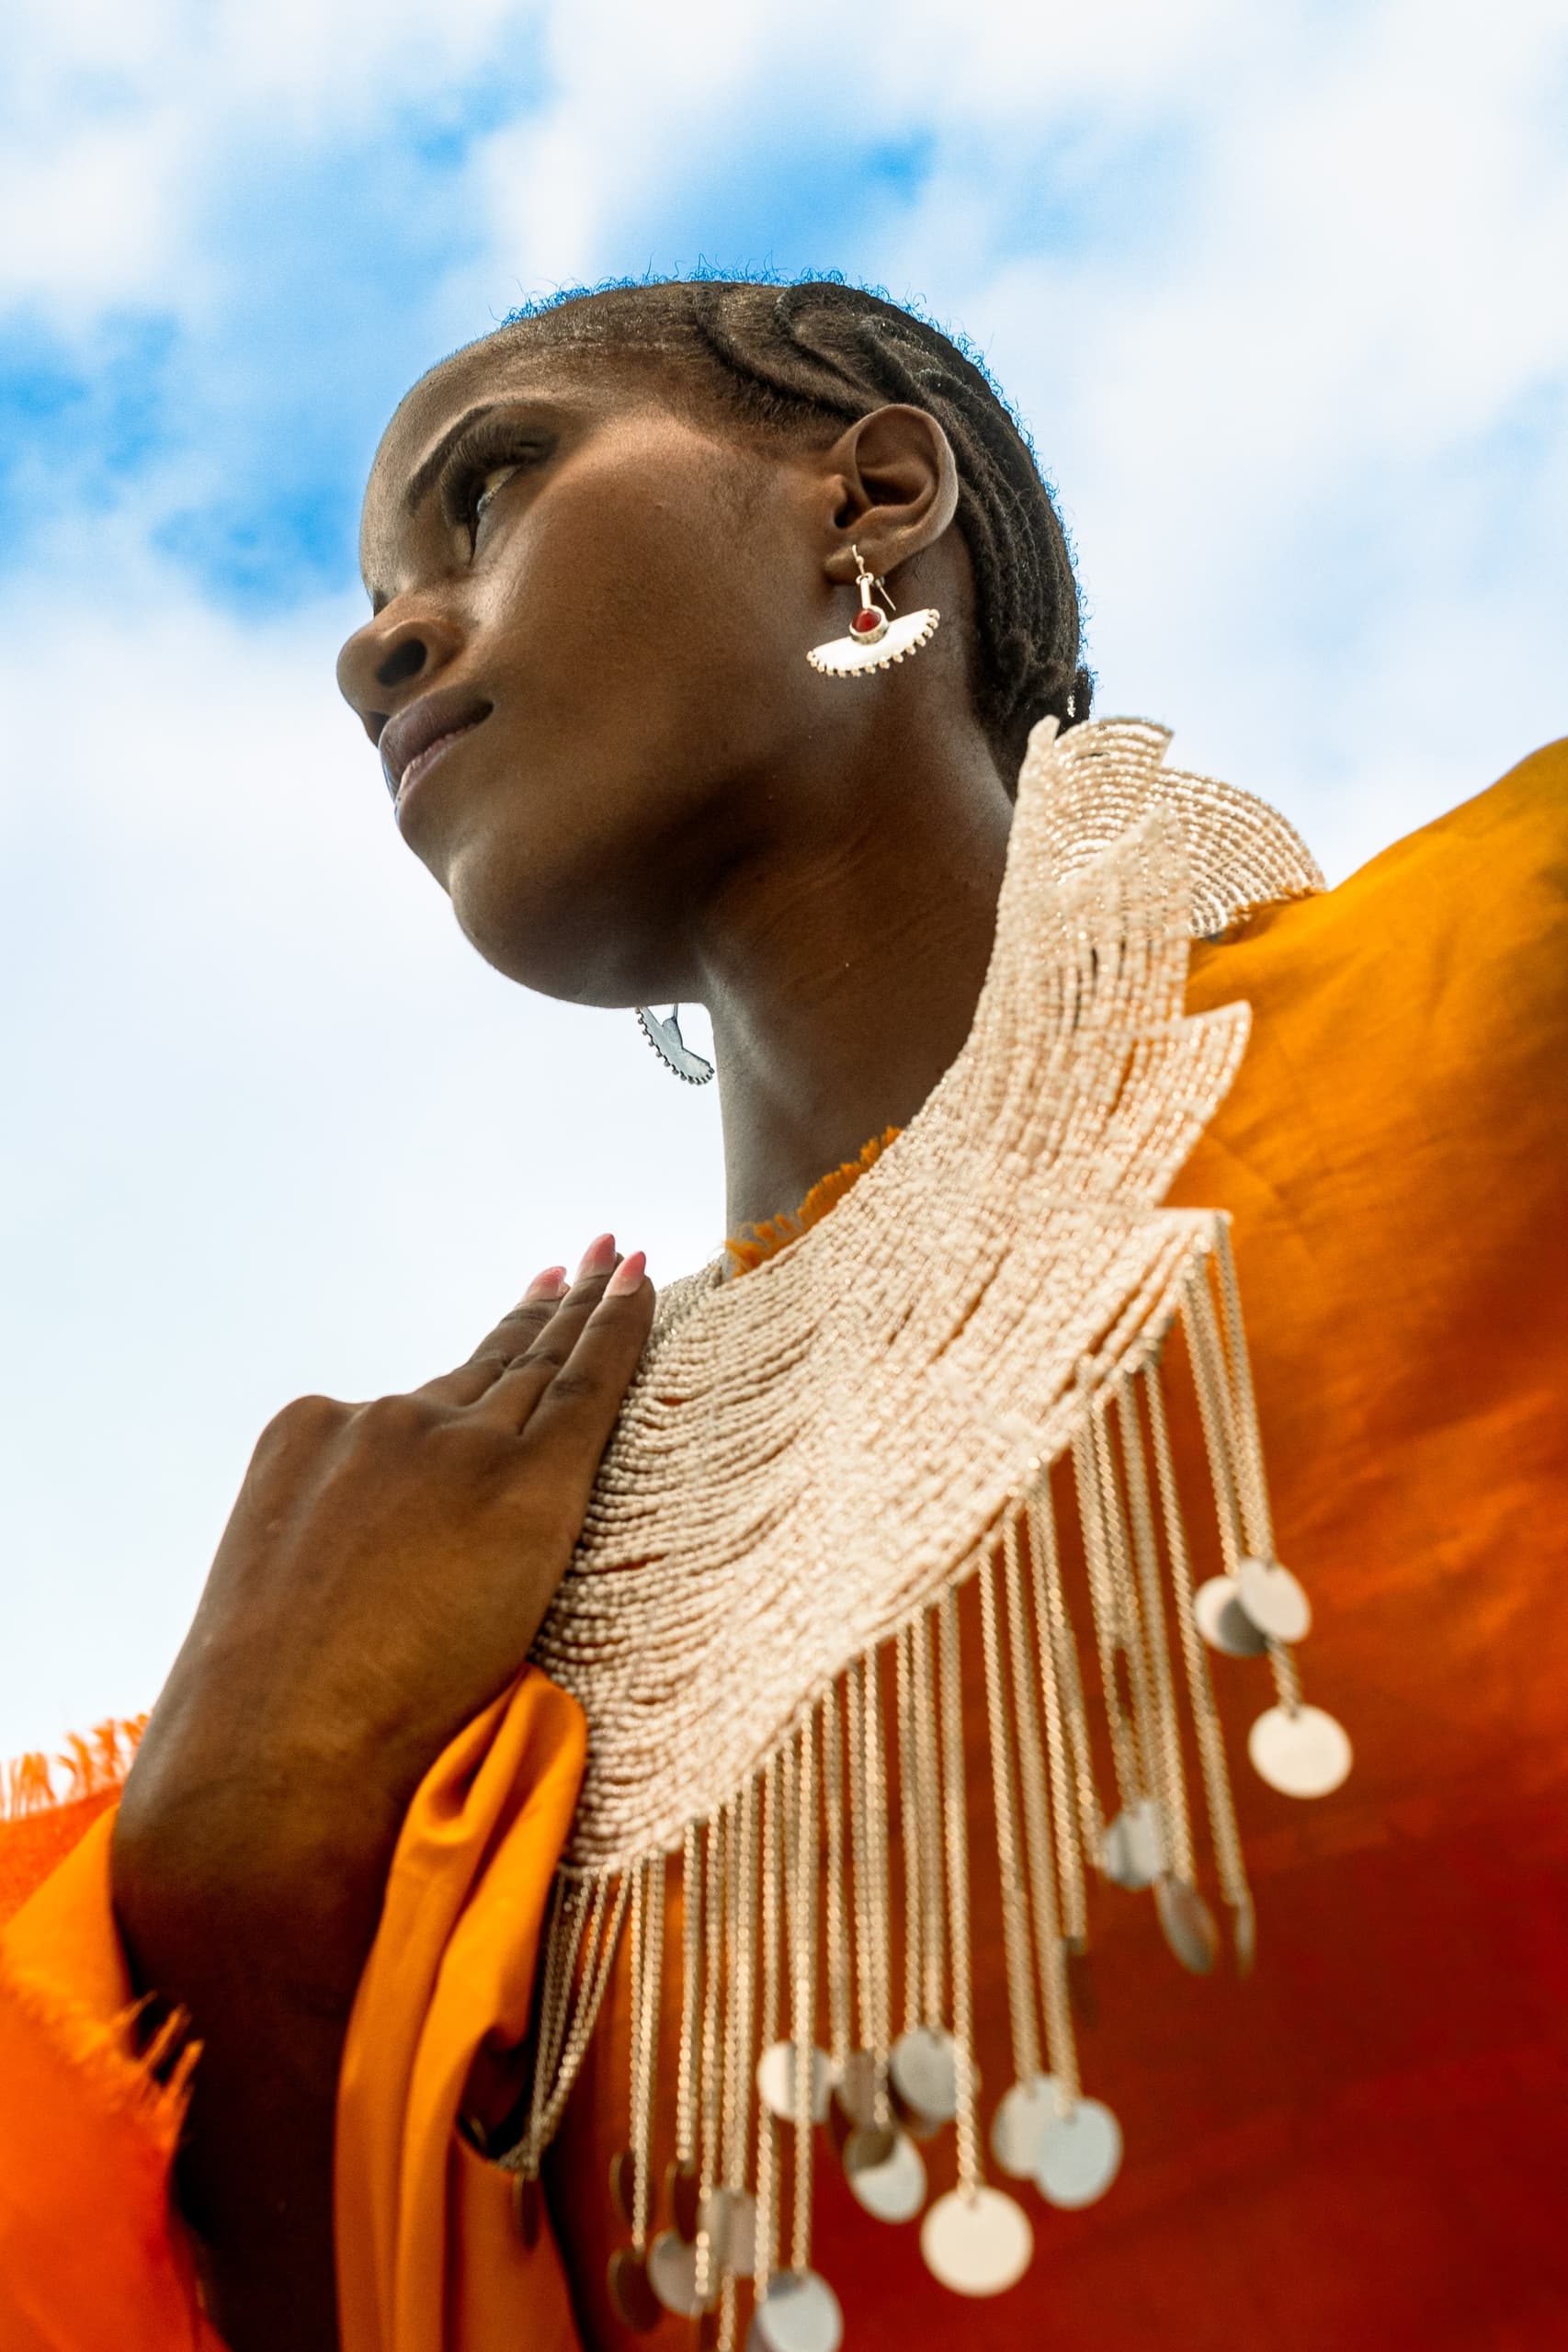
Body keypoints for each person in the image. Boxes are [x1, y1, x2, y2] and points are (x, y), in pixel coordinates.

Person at [1, 276, 1563, 2352]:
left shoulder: (1506, 1007)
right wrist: (234, 1897)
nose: (379, 639)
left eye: (489, 488)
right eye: (380, 594)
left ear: (875, 488)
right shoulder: (455, 1672)